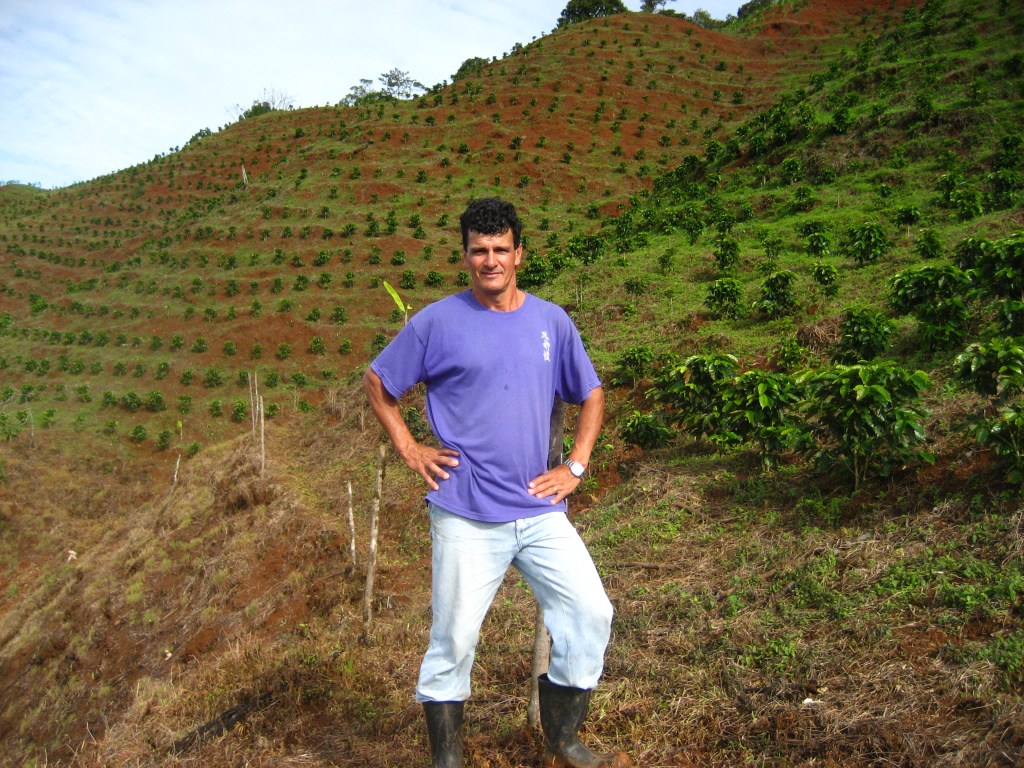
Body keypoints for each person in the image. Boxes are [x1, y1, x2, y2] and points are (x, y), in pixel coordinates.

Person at [363, 197, 629, 768]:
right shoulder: (436, 322)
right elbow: (379, 381)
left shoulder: (551, 322)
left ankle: (562, 738)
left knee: (590, 614)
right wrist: (409, 448)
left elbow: (592, 393)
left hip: (538, 509)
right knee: (453, 640)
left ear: (519, 254)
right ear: (465, 257)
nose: (490, 260)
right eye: (479, 251)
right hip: (463, 511)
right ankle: (449, 757)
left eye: (500, 249)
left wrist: (575, 467)